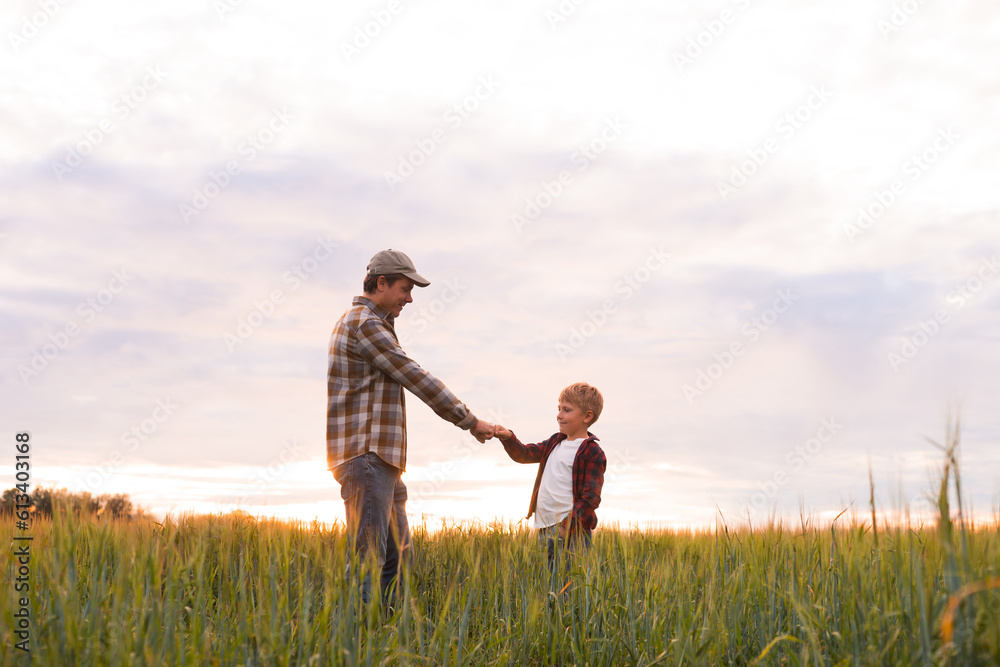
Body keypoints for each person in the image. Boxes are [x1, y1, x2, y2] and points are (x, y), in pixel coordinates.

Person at [327, 248, 495, 605]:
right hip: (366, 457)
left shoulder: (370, 323)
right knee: (367, 563)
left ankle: (386, 639)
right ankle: (355, 645)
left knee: (399, 558)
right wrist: (470, 421)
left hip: (381, 462)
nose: (410, 298)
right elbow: (414, 376)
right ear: (382, 283)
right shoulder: (365, 323)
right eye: (405, 288)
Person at [493, 382, 607, 573]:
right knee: (549, 584)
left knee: (570, 585)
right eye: (559, 408)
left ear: (587, 416)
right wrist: (507, 437)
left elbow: (591, 498)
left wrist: (566, 527)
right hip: (545, 525)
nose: (559, 415)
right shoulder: (555, 442)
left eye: (567, 410)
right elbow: (524, 454)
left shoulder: (592, 452)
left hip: (572, 529)